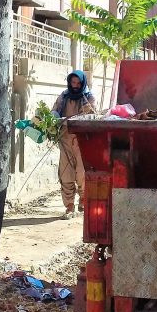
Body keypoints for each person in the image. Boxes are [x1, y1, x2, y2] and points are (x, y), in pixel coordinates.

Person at [52, 70, 96, 219]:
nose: (75, 86)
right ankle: (69, 206)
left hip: (82, 141)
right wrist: (54, 119)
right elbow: (54, 112)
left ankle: (83, 199)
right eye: (73, 82)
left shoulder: (88, 97)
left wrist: (74, 121)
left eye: (78, 83)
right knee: (66, 174)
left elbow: (91, 115)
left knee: (82, 173)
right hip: (64, 140)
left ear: (82, 83)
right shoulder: (63, 96)